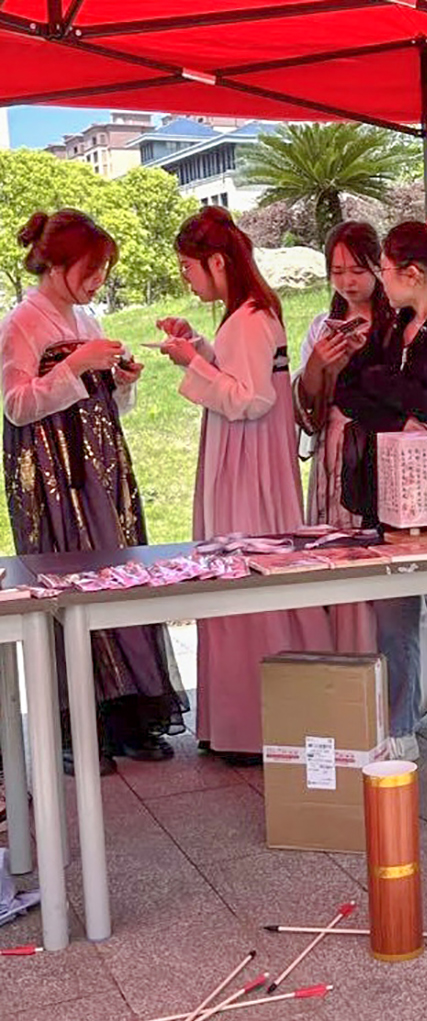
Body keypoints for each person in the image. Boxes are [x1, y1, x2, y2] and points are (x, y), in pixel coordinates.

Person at [1, 209, 186, 775]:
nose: (98, 279)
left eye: (104, 268)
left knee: (118, 574)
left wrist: (120, 383)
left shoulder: (86, 314)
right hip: (52, 474)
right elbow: (15, 405)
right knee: (69, 580)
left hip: (102, 465)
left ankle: (130, 715)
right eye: (92, 267)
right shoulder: (20, 322)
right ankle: (75, 727)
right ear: (57, 263)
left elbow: (104, 406)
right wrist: (78, 364)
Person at [156, 206, 332, 764]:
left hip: (247, 465)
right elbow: (248, 380)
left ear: (215, 262)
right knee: (240, 575)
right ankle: (239, 720)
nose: (187, 277)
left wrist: (192, 361)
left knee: (243, 572)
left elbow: (251, 399)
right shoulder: (251, 315)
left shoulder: (253, 317)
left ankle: (251, 725)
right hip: (250, 459)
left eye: (189, 267)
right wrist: (203, 352)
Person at [336, 210, 427, 781]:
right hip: (390, 496)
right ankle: (399, 727)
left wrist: (389, 392)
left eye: (386, 270)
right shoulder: (387, 326)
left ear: (415, 272)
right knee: (394, 618)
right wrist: (394, 395)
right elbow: (352, 391)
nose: (381, 279)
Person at [292, 221, 396, 653]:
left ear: (377, 267)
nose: (348, 282)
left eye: (357, 269)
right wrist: (320, 365)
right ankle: (341, 664)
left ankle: (394, 680)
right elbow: (307, 406)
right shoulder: (323, 326)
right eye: (337, 272)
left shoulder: (398, 322)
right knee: (335, 559)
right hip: (336, 454)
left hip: (383, 454)